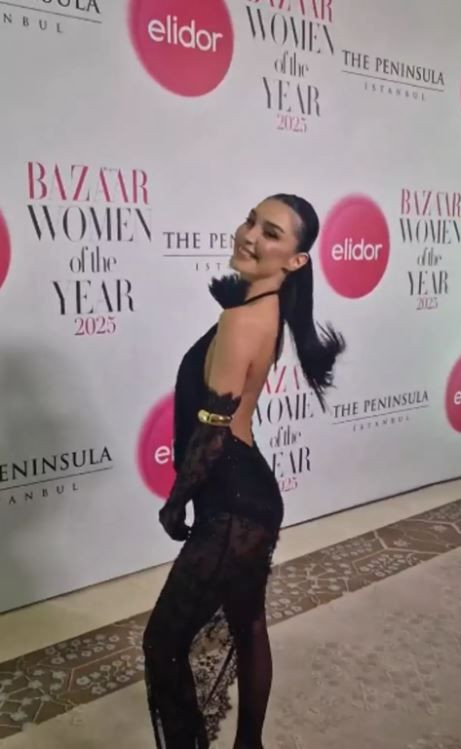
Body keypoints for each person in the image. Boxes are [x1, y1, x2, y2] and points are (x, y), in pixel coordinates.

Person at [142, 194, 345, 748]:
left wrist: (176, 499)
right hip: (249, 497)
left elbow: (212, 433)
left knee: (163, 643)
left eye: (271, 232)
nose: (249, 235)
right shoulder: (266, 311)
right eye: (251, 221)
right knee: (248, 624)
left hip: (231, 506)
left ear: (295, 259)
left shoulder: (241, 320)